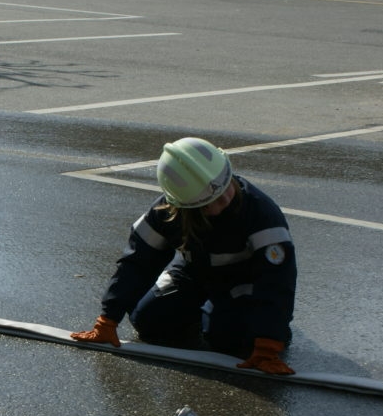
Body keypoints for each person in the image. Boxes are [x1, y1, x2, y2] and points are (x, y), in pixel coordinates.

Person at [71, 137, 297, 375]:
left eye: (226, 186)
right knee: (148, 320)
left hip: (243, 282)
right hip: (194, 273)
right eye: (213, 200)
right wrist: (109, 318)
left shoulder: (261, 215)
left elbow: (277, 282)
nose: (225, 198)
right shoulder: (167, 213)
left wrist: (269, 343)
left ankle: (238, 321)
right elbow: (137, 263)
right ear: (186, 206)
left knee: (230, 341)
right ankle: (211, 313)